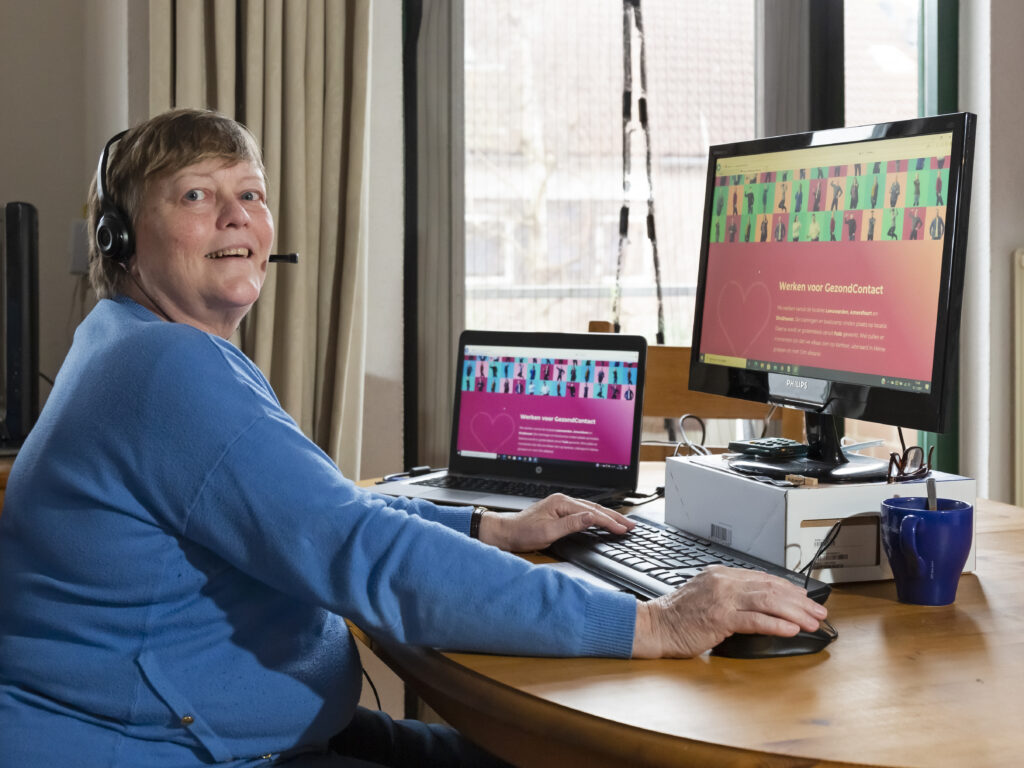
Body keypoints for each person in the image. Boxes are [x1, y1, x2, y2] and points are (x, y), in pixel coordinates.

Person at [0, 110, 826, 767]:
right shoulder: (166, 369)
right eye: (194, 195)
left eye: (250, 193)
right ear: (120, 239)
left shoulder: (123, 342)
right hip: (153, 747)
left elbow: (323, 510)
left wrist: (485, 526)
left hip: (201, 727)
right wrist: (654, 623)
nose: (237, 216)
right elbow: (362, 551)